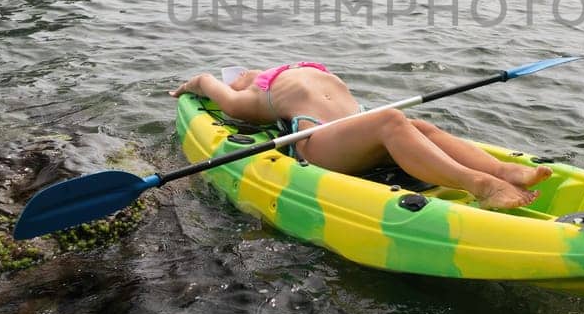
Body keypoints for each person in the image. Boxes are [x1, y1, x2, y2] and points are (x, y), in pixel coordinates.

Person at [170, 63, 548, 208]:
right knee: (392, 121)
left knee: (420, 128)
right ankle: (482, 186)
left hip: (356, 132)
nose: (238, 72)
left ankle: (505, 171)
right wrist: (190, 86)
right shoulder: (252, 96)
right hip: (321, 144)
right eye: (232, 73)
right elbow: (207, 83)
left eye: (240, 69)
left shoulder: (291, 70)